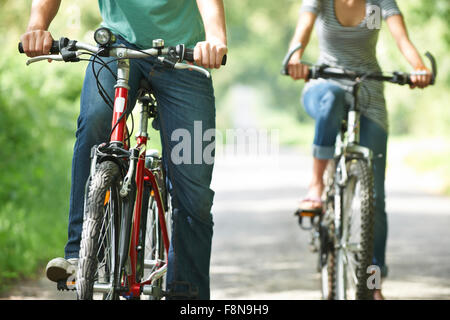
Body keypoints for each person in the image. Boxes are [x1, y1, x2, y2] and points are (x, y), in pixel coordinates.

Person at [20, 0, 227, 300]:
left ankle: (188, 294)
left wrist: (215, 37)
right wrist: (37, 27)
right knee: (94, 123)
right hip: (116, 48)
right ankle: (81, 254)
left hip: (184, 56)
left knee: (194, 193)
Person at [287, 0, 431, 299]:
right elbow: (302, 31)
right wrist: (296, 57)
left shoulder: (379, 4)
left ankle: (374, 282)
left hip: (369, 92)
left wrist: (418, 67)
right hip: (324, 85)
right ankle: (316, 185)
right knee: (333, 97)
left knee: (375, 199)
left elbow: (401, 39)